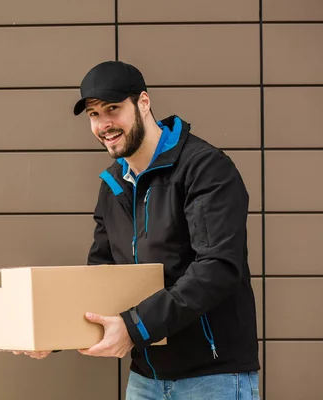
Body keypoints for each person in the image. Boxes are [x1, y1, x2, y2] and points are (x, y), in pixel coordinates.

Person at [15, 61, 261, 400]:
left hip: (212, 377)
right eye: (93, 114)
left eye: (113, 109)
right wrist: (52, 334)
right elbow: (101, 278)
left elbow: (217, 268)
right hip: (146, 378)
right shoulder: (114, 184)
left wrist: (134, 328)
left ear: (143, 103)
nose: (104, 124)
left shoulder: (205, 169)